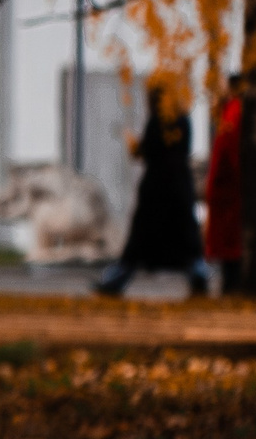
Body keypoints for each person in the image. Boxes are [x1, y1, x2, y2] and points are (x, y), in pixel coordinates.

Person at [94, 76, 215, 298]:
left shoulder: (157, 120)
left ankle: (116, 280)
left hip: (157, 190)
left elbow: (148, 151)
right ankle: (199, 278)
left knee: (139, 241)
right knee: (186, 239)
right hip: (179, 187)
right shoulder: (182, 119)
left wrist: (135, 146)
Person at [205, 75, 245, 292]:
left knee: (230, 245)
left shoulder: (232, 114)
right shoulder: (234, 113)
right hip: (229, 190)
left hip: (228, 191)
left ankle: (231, 286)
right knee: (231, 245)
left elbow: (227, 154)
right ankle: (231, 283)